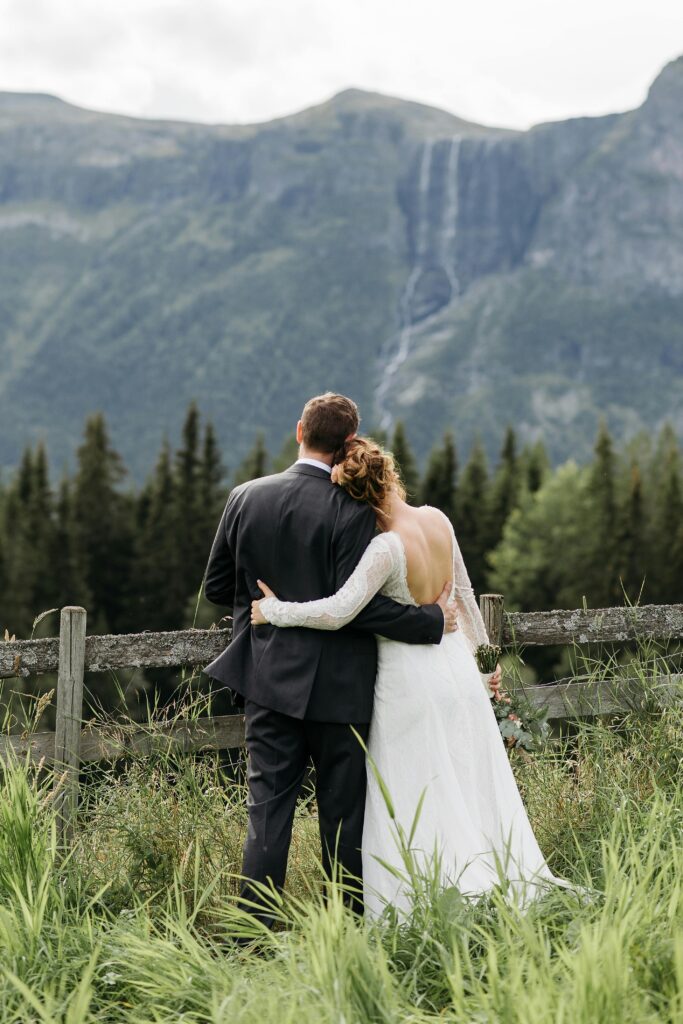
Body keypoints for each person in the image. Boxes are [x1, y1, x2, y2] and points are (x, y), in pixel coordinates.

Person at [251, 435, 566, 917]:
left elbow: (338, 612)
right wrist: (486, 664)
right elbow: (463, 593)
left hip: (407, 681)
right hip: (457, 671)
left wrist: (275, 611)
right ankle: (488, 877)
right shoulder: (438, 519)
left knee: (415, 787)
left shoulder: (385, 547)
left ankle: (431, 896)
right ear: (390, 475)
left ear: (357, 495)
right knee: (464, 780)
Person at [203, 393, 458, 920]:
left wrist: (265, 615)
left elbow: (217, 587)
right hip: (343, 691)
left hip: (268, 681)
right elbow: (359, 610)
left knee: (268, 815)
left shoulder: (244, 497)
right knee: (344, 819)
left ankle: (255, 935)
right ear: (347, 444)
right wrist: (430, 621)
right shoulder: (356, 509)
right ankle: (344, 928)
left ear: (299, 430)